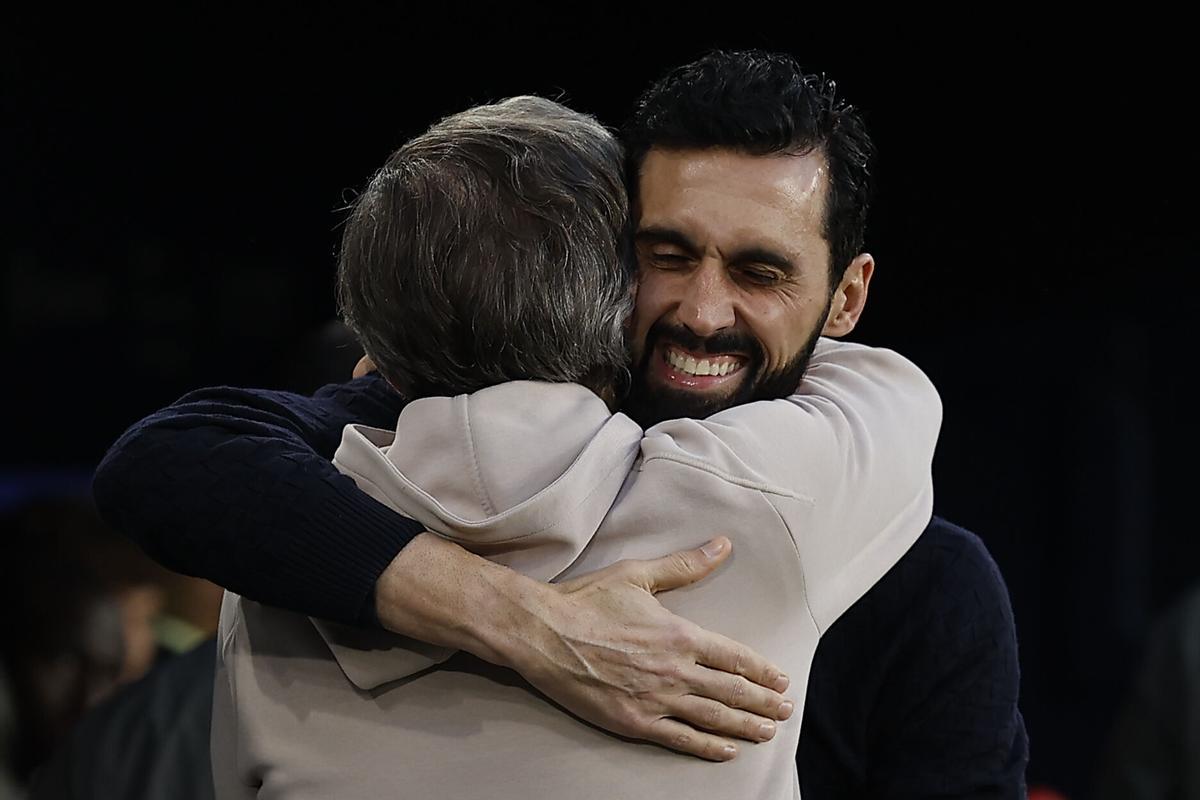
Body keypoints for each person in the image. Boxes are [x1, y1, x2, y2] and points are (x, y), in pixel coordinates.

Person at [94, 50, 1028, 796]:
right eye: (667, 255)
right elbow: (167, 461)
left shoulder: (930, 587)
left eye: (760, 272)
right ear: (605, 264)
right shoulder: (363, 456)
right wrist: (530, 622)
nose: (703, 312)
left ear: (847, 297)